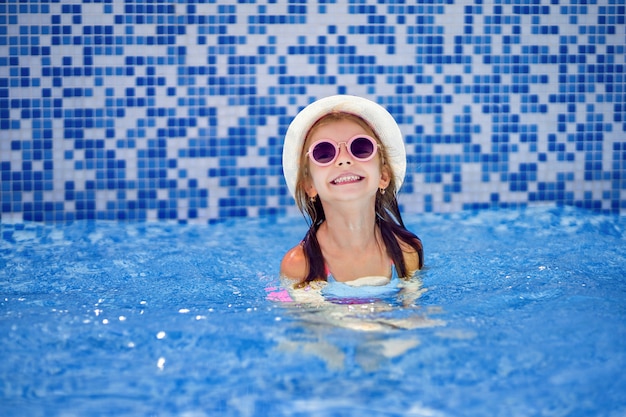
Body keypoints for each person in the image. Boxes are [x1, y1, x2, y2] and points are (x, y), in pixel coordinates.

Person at [280, 95, 423, 303]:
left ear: (383, 176)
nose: (344, 159)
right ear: (309, 186)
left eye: (361, 148)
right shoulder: (301, 265)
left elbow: (413, 315)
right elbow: (311, 328)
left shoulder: (406, 250)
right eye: (324, 153)